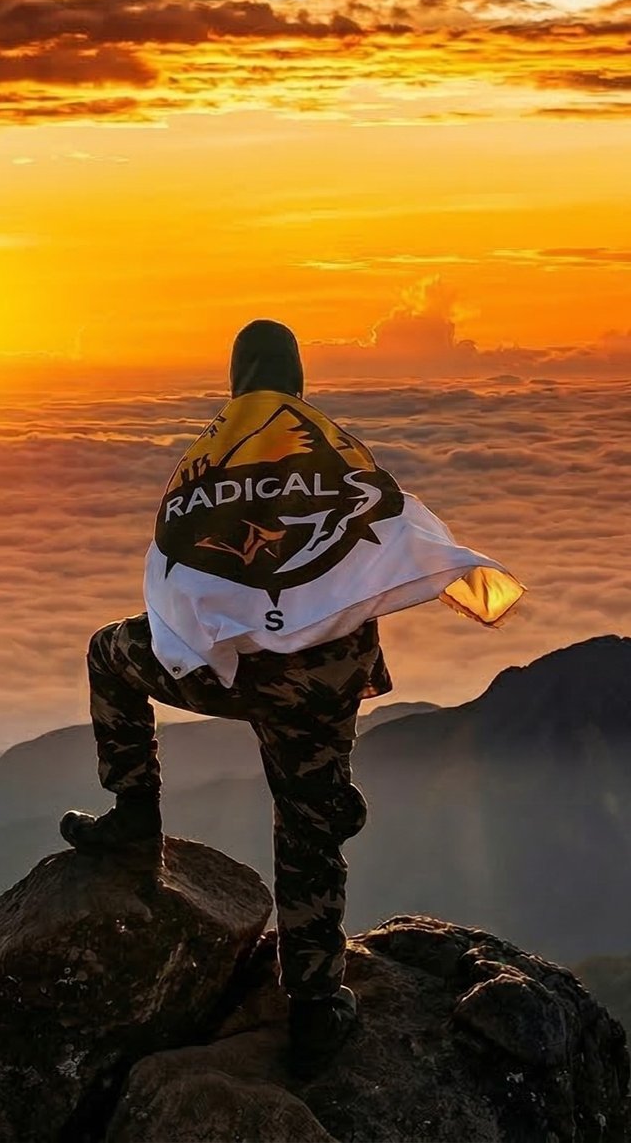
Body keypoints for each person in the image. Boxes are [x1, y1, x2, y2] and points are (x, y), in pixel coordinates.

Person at [60, 319, 523, 1074]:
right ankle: (312, 1008)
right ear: (299, 378)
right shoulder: (337, 450)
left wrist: (206, 639)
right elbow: (372, 552)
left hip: (226, 666)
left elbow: (176, 564)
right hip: (318, 682)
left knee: (107, 655)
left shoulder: (209, 457)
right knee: (306, 829)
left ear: (236, 380)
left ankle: (136, 816)